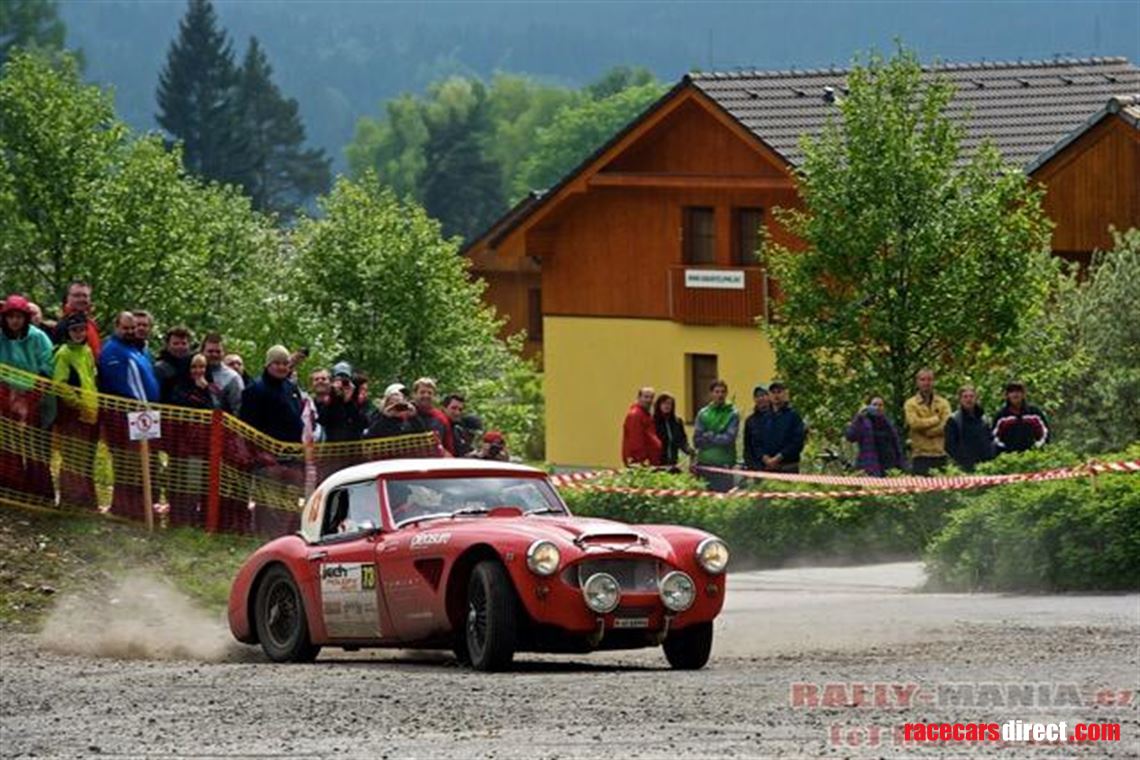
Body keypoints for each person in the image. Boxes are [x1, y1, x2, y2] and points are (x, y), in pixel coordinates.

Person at [98, 311, 160, 520]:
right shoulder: (112, 351)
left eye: (133, 328)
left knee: (146, 464)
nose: (131, 331)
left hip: (146, 414)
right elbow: (122, 386)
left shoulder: (138, 349)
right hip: (128, 416)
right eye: (126, 328)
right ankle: (124, 509)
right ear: (116, 327)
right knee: (129, 464)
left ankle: (142, 508)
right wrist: (140, 407)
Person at [240, 346, 306, 535]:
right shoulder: (255, 389)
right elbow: (247, 426)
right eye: (277, 363)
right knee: (269, 503)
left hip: (293, 457)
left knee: (290, 502)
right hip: (267, 458)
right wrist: (259, 454)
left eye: (285, 363)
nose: (281, 367)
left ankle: (285, 537)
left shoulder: (291, 388)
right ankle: (266, 538)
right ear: (268, 364)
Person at [0, 294, 56, 504]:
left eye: (19, 317)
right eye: (10, 317)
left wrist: (30, 395)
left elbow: (47, 366)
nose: (15, 321)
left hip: (36, 397)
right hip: (5, 396)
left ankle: (40, 493)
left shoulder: (38, 337)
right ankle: (11, 489)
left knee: (36, 446)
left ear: (26, 318)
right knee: (8, 445)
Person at [52, 311, 100, 510]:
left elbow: (92, 377)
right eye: (74, 330)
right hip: (72, 413)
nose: (79, 333)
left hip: (90, 411)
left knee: (86, 458)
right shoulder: (63, 353)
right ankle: (69, 502)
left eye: (82, 329)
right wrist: (77, 403)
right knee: (72, 458)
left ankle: (85, 500)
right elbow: (59, 384)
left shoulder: (87, 351)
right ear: (67, 332)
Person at [693, 380, 739, 492]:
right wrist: (717, 437)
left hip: (724, 464)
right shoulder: (703, 413)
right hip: (704, 464)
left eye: (723, 392)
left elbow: (728, 439)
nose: (720, 395)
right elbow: (697, 441)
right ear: (711, 394)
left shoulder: (732, 413)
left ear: (726, 393)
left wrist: (709, 436)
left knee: (724, 499)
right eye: (717, 392)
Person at [904, 368, 952, 475]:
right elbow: (914, 423)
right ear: (917, 382)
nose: (926, 383)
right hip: (920, 455)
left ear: (934, 381)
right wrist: (936, 419)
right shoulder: (910, 404)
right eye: (923, 379)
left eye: (929, 379)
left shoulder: (943, 403)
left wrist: (930, 432)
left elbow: (948, 425)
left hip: (940, 453)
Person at [845, 396, 907, 477]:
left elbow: (896, 444)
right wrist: (858, 417)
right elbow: (850, 436)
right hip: (869, 465)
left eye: (880, 405)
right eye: (874, 405)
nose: (877, 408)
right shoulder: (863, 422)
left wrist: (901, 464)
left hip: (888, 466)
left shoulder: (888, 423)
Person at [944, 385, 994, 472]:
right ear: (960, 399)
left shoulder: (984, 418)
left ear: (976, 398)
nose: (968, 399)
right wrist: (962, 460)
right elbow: (950, 446)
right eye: (965, 397)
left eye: (971, 396)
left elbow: (990, 439)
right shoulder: (954, 420)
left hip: (985, 465)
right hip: (964, 467)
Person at [992, 381, 1049, 454]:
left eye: (1018, 391)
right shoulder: (1002, 416)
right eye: (1011, 392)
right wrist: (1005, 451)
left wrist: (1037, 448)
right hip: (1009, 457)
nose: (1015, 394)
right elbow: (994, 437)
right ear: (1007, 395)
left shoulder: (1034, 413)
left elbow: (1045, 433)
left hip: (1033, 455)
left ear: (1023, 394)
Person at [318, 361, 367, 443]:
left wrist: (349, 400)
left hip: (354, 445)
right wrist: (334, 396)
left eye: (345, 379)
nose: (342, 383)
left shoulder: (357, 398)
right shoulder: (329, 398)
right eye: (339, 379)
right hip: (332, 446)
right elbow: (322, 421)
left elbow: (363, 423)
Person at [53, 281, 101, 359]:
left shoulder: (89, 322)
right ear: (68, 298)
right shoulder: (65, 325)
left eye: (85, 296)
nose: (81, 299)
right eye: (77, 295)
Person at [201, 333, 244, 415]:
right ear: (202, 352)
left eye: (218, 352)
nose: (214, 354)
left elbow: (238, 409)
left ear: (224, 353)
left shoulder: (232, 378)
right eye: (210, 351)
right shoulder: (193, 371)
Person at [411, 377, 455, 454]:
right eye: (422, 392)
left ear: (434, 396)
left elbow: (448, 447)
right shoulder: (404, 413)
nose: (426, 395)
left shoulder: (441, 418)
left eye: (430, 393)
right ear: (414, 395)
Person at [621, 386, 662, 466]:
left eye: (651, 397)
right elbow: (635, 439)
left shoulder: (645, 414)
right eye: (646, 397)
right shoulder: (636, 415)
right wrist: (641, 459)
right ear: (639, 398)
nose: (649, 400)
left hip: (648, 460)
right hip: (640, 461)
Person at [153, 326, 193, 404]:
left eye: (184, 343)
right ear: (167, 345)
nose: (180, 347)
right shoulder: (160, 368)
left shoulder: (194, 367)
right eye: (175, 344)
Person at [653, 392, 692, 469]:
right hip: (657, 463)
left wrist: (689, 450)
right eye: (664, 403)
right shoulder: (652, 421)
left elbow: (682, 440)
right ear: (658, 405)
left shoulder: (677, 422)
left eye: (669, 404)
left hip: (673, 462)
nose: (667, 406)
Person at [742, 384, 772, 471]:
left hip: (777, 465)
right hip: (756, 467)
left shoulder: (778, 417)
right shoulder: (750, 421)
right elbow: (747, 447)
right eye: (758, 396)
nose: (761, 398)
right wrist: (751, 466)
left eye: (764, 395)